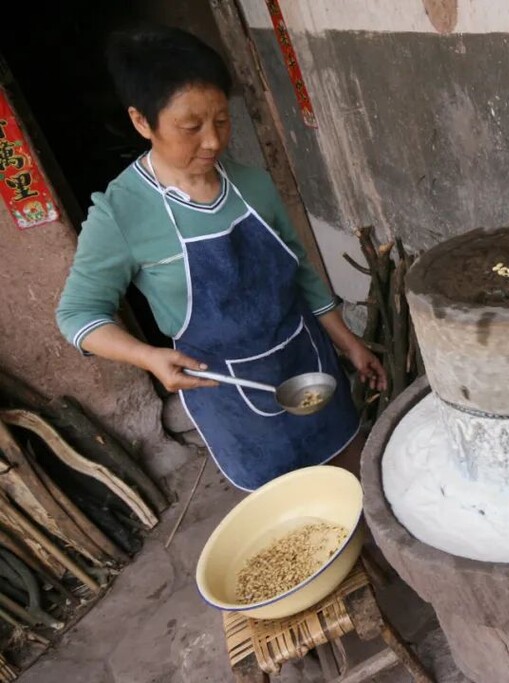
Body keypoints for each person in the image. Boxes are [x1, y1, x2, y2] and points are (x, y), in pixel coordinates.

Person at [56, 25, 385, 491]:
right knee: (291, 514)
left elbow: (300, 271)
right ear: (142, 121)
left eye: (222, 121)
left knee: (352, 478)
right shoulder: (121, 213)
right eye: (191, 127)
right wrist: (148, 356)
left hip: (307, 364)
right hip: (232, 398)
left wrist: (348, 342)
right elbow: (77, 316)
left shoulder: (252, 183)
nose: (212, 141)